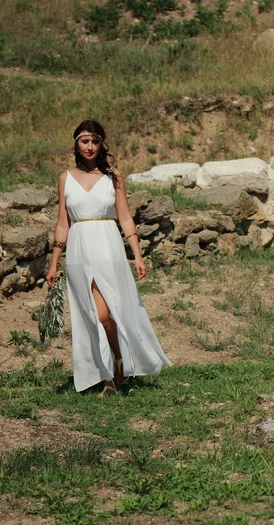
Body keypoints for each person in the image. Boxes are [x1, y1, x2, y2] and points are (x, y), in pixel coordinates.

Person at [46, 120, 171, 397]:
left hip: (107, 245)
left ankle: (116, 363)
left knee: (105, 312)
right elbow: (62, 223)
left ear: (101, 144)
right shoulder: (65, 178)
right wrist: (54, 262)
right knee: (92, 314)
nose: (90, 147)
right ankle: (110, 376)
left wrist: (137, 255)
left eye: (95, 142)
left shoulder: (113, 176)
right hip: (79, 247)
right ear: (76, 144)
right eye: (84, 141)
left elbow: (125, 216)